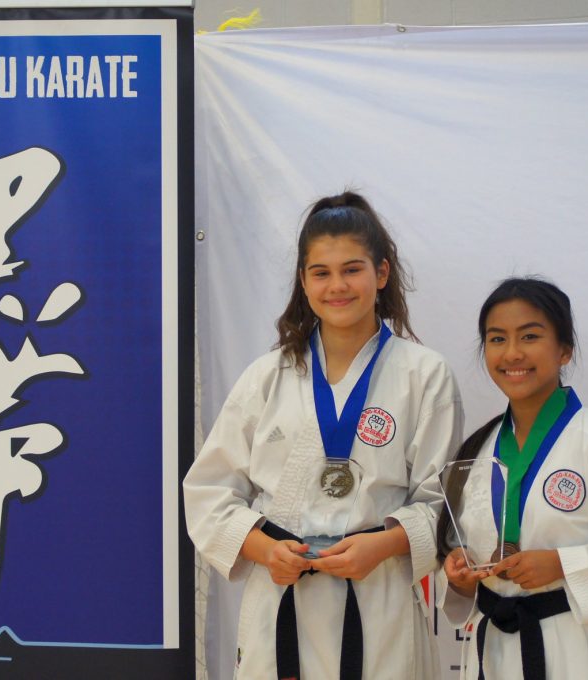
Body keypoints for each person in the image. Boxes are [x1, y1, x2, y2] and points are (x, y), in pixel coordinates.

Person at [184, 191, 462, 680]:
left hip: (380, 599)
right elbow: (209, 493)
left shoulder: (424, 374)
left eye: (352, 269)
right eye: (322, 272)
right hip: (282, 598)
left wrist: (381, 544)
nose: (337, 286)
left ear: (381, 273)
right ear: (303, 281)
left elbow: (442, 503)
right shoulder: (266, 376)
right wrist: (264, 549)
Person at [439, 276, 588, 680]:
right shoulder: (478, 449)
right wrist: (462, 576)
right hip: (495, 640)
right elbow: (467, 547)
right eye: (497, 339)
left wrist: (563, 564)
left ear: (564, 349)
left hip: (576, 644)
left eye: (529, 336)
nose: (512, 353)